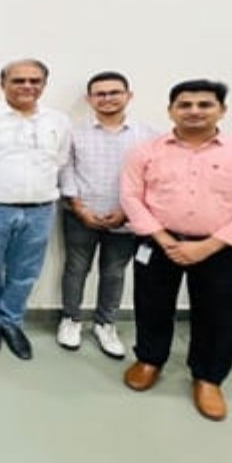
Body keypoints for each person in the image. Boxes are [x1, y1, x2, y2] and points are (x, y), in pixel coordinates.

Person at [120, 79, 232, 421]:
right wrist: (163, 239)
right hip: (158, 242)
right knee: (151, 305)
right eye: (185, 105)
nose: (194, 111)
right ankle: (149, 360)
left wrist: (208, 246)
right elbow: (131, 197)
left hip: (221, 246)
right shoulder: (146, 152)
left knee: (218, 313)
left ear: (222, 110)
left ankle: (208, 378)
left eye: (204, 104)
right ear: (171, 111)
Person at [0, 59, 70, 359]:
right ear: (3, 84)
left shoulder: (58, 121)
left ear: (44, 85)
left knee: (25, 272)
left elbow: (60, 161)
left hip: (40, 210)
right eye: (18, 80)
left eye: (35, 81)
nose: (27, 86)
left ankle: (12, 322)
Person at [57, 71, 157, 358]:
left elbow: (154, 177)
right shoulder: (75, 133)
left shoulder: (149, 135)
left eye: (114, 92)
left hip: (127, 217)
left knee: (114, 272)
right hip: (80, 215)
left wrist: (126, 212)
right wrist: (78, 206)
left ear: (128, 96)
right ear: (90, 99)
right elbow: (66, 169)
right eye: (100, 94)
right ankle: (71, 319)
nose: (107, 98)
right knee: (76, 269)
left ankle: (105, 323)